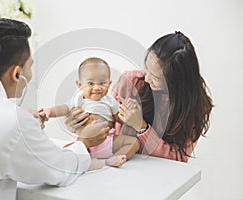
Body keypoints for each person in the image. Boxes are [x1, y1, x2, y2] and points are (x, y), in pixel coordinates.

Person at [0, 18, 110, 200]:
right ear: (16, 74)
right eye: (30, 67)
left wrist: (25, 126)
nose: (30, 75)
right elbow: (59, 170)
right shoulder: (12, 121)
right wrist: (84, 142)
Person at [64, 31, 214, 162]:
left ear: (176, 82)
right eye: (146, 69)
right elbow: (104, 119)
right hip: (117, 167)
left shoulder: (195, 107)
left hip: (159, 178)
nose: (147, 79)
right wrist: (78, 123)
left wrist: (141, 127)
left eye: (155, 77)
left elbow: (178, 159)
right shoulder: (132, 82)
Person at [38, 57, 140, 168]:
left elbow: (120, 118)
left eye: (102, 83)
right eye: (90, 83)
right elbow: (62, 109)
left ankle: (116, 158)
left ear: (109, 83)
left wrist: (129, 112)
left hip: (108, 140)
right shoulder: (78, 99)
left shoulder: (110, 101)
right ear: (79, 84)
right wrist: (48, 112)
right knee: (66, 150)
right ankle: (89, 161)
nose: (96, 87)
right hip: (85, 141)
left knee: (134, 143)